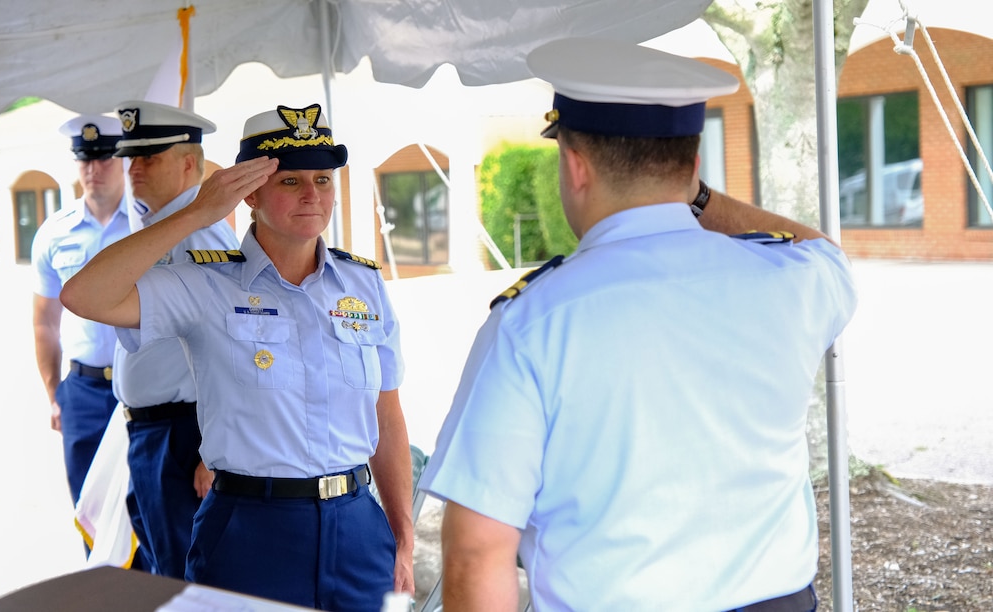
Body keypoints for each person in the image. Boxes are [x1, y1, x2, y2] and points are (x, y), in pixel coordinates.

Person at [418, 38, 859, 612]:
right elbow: (821, 248)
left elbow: (478, 553)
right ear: (694, 166)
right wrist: (692, 197)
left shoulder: (533, 322)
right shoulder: (791, 282)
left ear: (575, 167)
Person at [61, 103, 415, 611]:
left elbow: (387, 410)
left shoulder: (363, 284)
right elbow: (83, 295)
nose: (312, 194)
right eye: (290, 181)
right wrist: (195, 214)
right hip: (250, 527)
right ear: (250, 193)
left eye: (323, 178)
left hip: (357, 524)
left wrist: (402, 535)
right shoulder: (207, 282)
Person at [109, 100, 239, 578]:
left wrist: (211, 449)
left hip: (183, 436)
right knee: (163, 568)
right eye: (132, 157)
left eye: (150, 157)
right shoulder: (161, 229)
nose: (135, 168)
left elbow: (232, 351)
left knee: (182, 578)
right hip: (156, 431)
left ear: (189, 163)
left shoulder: (201, 239)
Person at [32, 114, 130, 512]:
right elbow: (44, 321)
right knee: (90, 507)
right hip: (84, 393)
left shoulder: (149, 225)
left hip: (143, 388)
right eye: (85, 159)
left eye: (105, 157)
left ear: (123, 159)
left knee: (147, 514)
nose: (94, 169)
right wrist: (55, 393)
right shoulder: (56, 232)